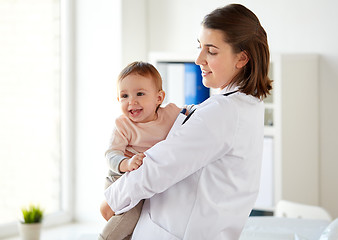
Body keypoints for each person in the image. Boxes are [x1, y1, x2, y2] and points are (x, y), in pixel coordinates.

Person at [101, 3, 272, 239]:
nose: (198, 59)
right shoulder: (246, 104)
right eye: (199, 47)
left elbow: (160, 166)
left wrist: (112, 200)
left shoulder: (223, 111)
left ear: (242, 58)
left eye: (211, 51)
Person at [99, 61, 182, 240]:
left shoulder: (171, 114)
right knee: (129, 218)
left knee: (140, 228)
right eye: (124, 96)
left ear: (159, 98)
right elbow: (111, 155)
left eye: (140, 94)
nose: (132, 101)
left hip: (148, 180)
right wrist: (127, 163)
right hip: (122, 179)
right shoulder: (123, 125)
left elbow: (192, 115)